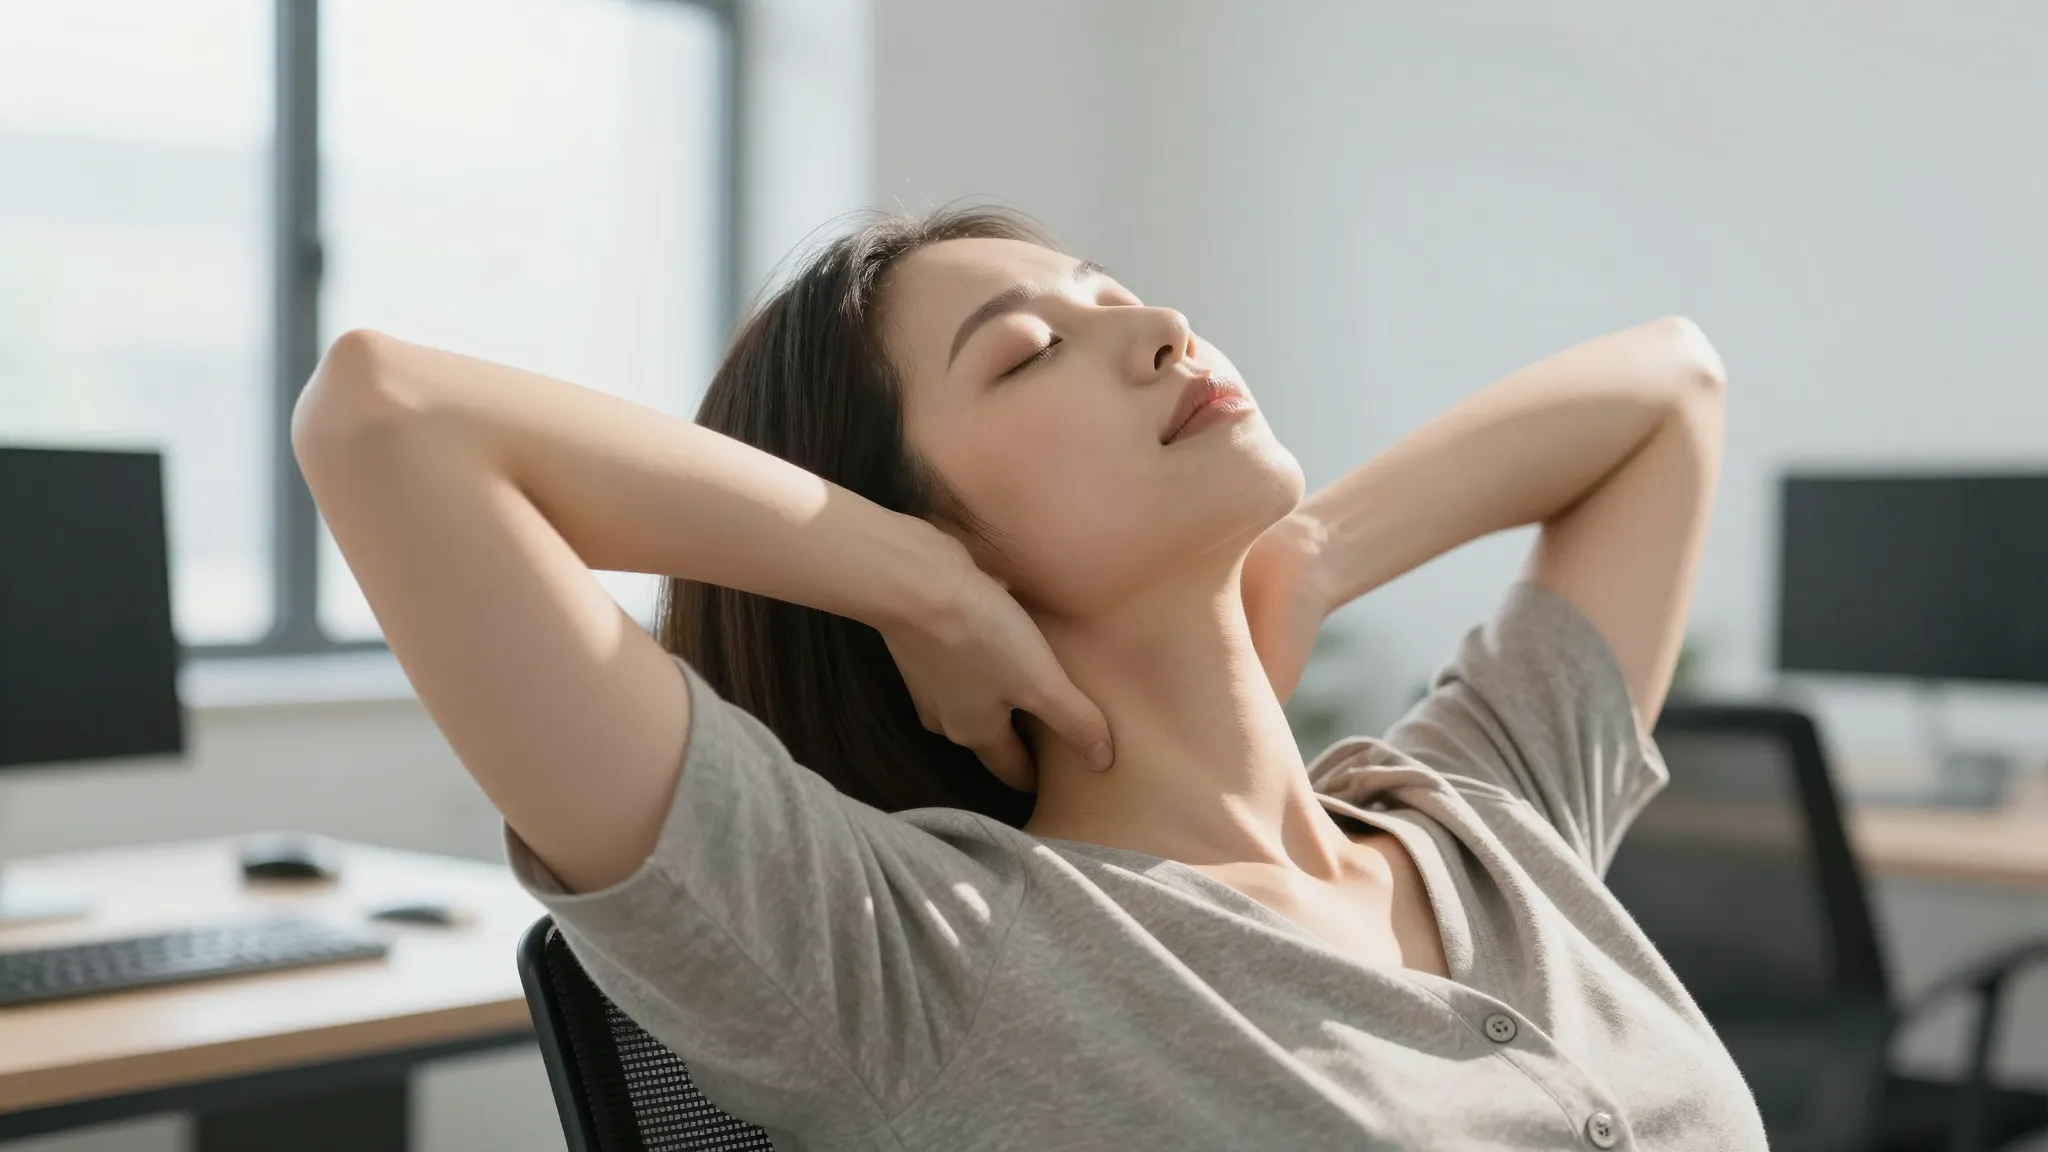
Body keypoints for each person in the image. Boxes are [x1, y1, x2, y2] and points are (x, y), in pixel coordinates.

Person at [295, 208, 1762, 1150]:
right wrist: (922, 581)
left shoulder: (1483, 818)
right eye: (1030, 351)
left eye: (1117, 292)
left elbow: (1671, 392)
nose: (1158, 329)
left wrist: (1310, 552)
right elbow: (386, 420)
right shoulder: (919, 960)